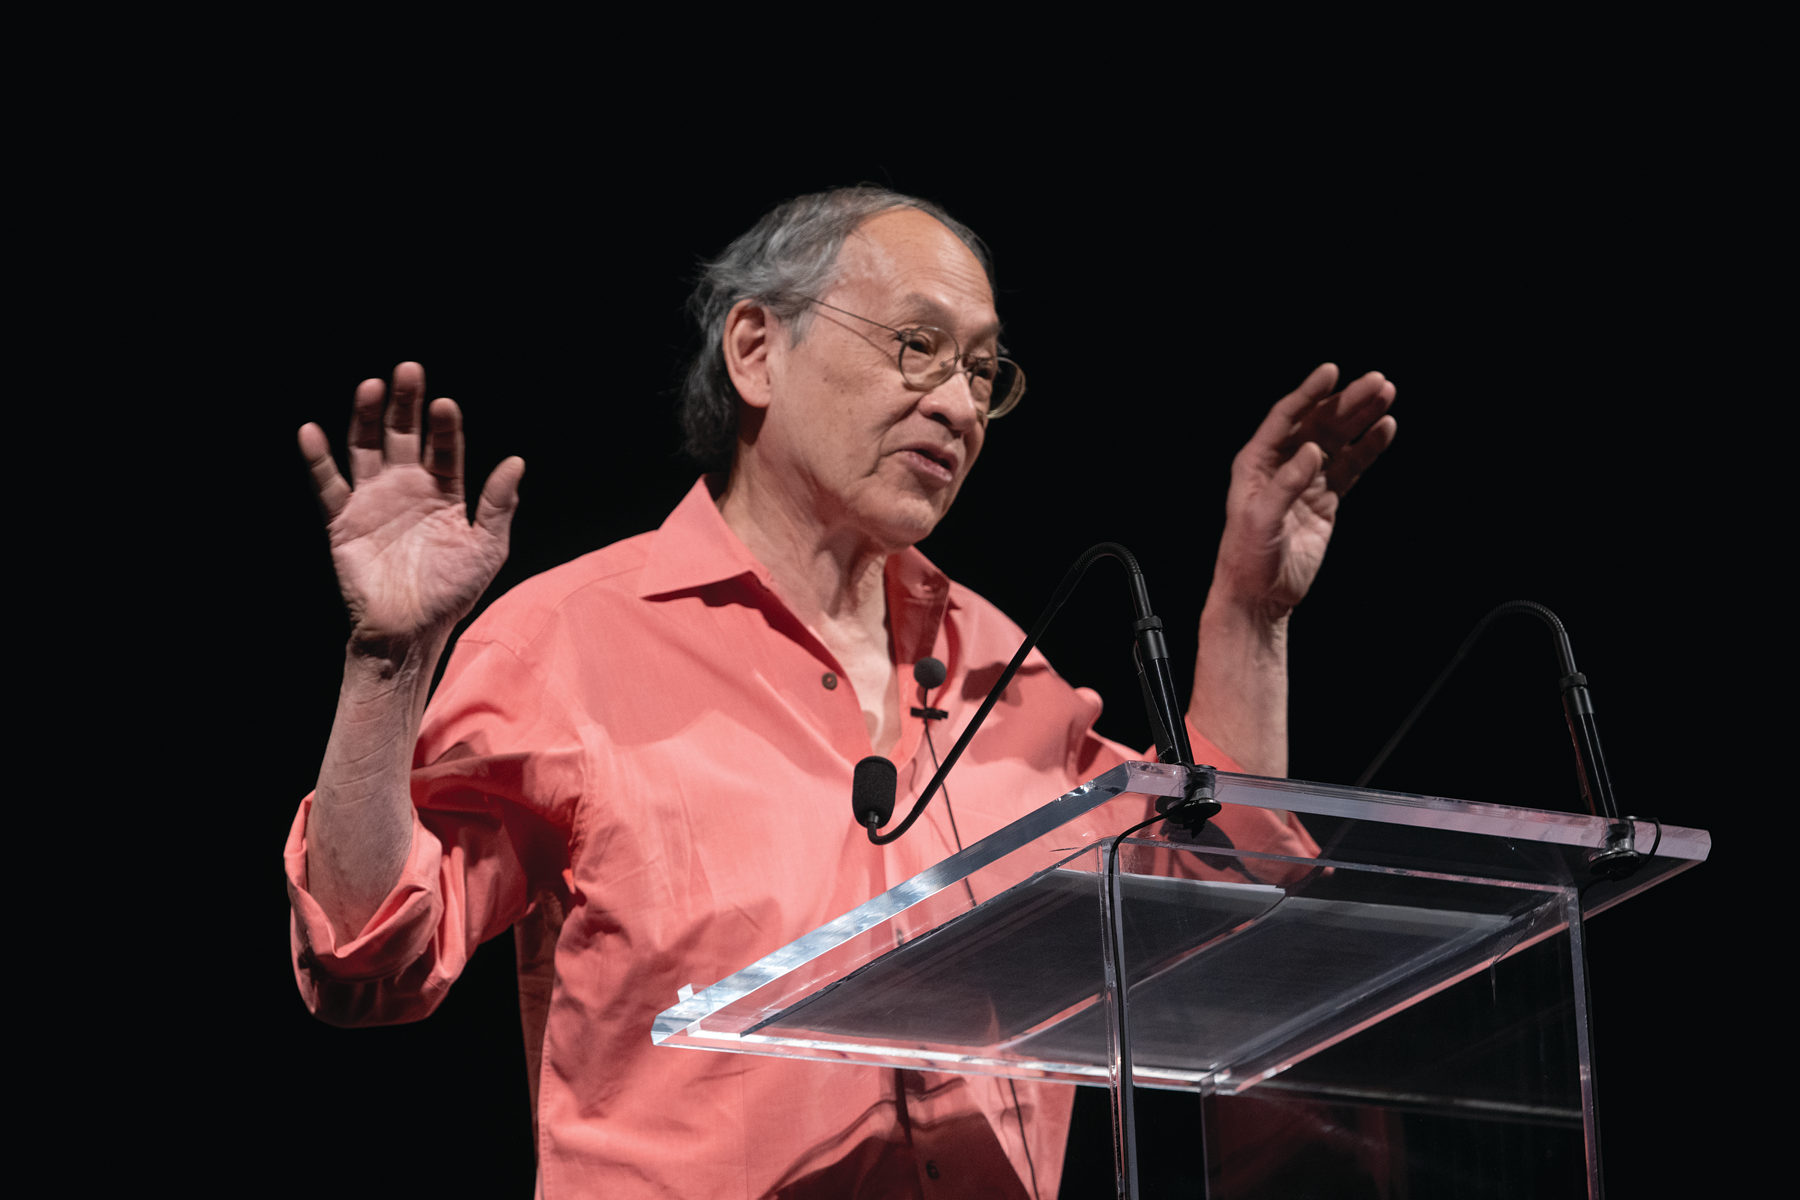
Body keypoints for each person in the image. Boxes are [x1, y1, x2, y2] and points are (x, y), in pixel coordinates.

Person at [287, 186, 1397, 1198]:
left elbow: (1221, 906)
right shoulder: (569, 640)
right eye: (918, 347)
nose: (959, 406)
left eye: (981, 371)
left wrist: (1251, 613)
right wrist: (388, 661)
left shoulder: (1006, 669)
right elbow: (370, 957)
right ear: (759, 350)